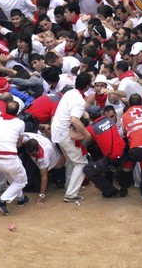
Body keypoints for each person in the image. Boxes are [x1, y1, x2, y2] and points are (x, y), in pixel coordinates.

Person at [50, 72, 92, 203]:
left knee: (71, 161)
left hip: (57, 132)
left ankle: (69, 187)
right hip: (64, 134)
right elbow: (74, 120)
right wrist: (87, 134)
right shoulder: (78, 100)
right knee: (81, 162)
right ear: (87, 86)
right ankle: (71, 194)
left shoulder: (70, 93)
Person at [0, 100, 28, 215]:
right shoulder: (20, 123)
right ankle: (2, 200)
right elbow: (19, 144)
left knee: (13, 179)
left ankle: (21, 198)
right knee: (22, 181)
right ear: (17, 112)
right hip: (10, 158)